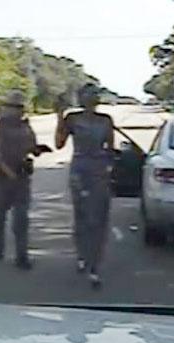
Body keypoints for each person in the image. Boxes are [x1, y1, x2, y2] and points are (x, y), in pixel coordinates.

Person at [55, 84, 114, 284]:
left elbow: (110, 150)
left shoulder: (105, 120)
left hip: (96, 170)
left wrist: (110, 168)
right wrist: (59, 117)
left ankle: (93, 262)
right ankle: (84, 256)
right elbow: (59, 143)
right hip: (81, 170)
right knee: (82, 216)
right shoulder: (72, 119)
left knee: (96, 218)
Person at [0, 90, 52, 270]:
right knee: (0, 215)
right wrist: (11, 174)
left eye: (18, 107)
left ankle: (21, 256)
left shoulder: (26, 127)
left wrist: (38, 150)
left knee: (21, 218)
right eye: (13, 107)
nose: (16, 111)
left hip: (21, 175)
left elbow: (31, 147)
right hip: (3, 177)